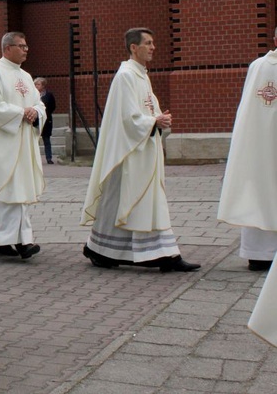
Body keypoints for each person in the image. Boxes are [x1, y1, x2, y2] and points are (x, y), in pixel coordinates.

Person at [80, 28, 200, 272]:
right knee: (130, 201)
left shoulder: (142, 75)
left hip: (143, 149)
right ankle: (163, 255)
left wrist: (158, 118)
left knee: (128, 201)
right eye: (148, 43)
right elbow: (128, 117)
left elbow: (144, 111)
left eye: (153, 42)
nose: (153, 47)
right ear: (134, 47)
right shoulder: (126, 75)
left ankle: (100, 249)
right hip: (131, 152)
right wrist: (153, 121)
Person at [0, 32, 45, 260]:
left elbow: (38, 102)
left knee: (20, 192)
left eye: (26, 46)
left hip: (23, 144)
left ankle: (20, 240)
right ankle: (7, 241)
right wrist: (19, 113)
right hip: (2, 144)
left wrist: (36, 111)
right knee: (3, 192)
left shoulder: (25, 75)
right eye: (21, 46)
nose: (26, 49)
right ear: (7, 48)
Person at [218, 27, 277, 271]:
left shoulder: (257, 66)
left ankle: (259, 253)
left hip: (261, 145)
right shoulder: (260, 67)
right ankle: (259, 253)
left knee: (262, 191)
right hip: (263, 144)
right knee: (260, 193)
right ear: (274, 39)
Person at [34, 77, 56, 164]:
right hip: (35, 121)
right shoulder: (32, 95)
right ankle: (35, 159)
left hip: (46, 120)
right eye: (35, 84)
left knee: (46, 139)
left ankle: (49, 158)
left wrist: (45, 113)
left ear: (43, 86)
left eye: (38, 84)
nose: (36, 86)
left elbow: (52, 106)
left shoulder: (49, 95)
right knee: (34, 140)